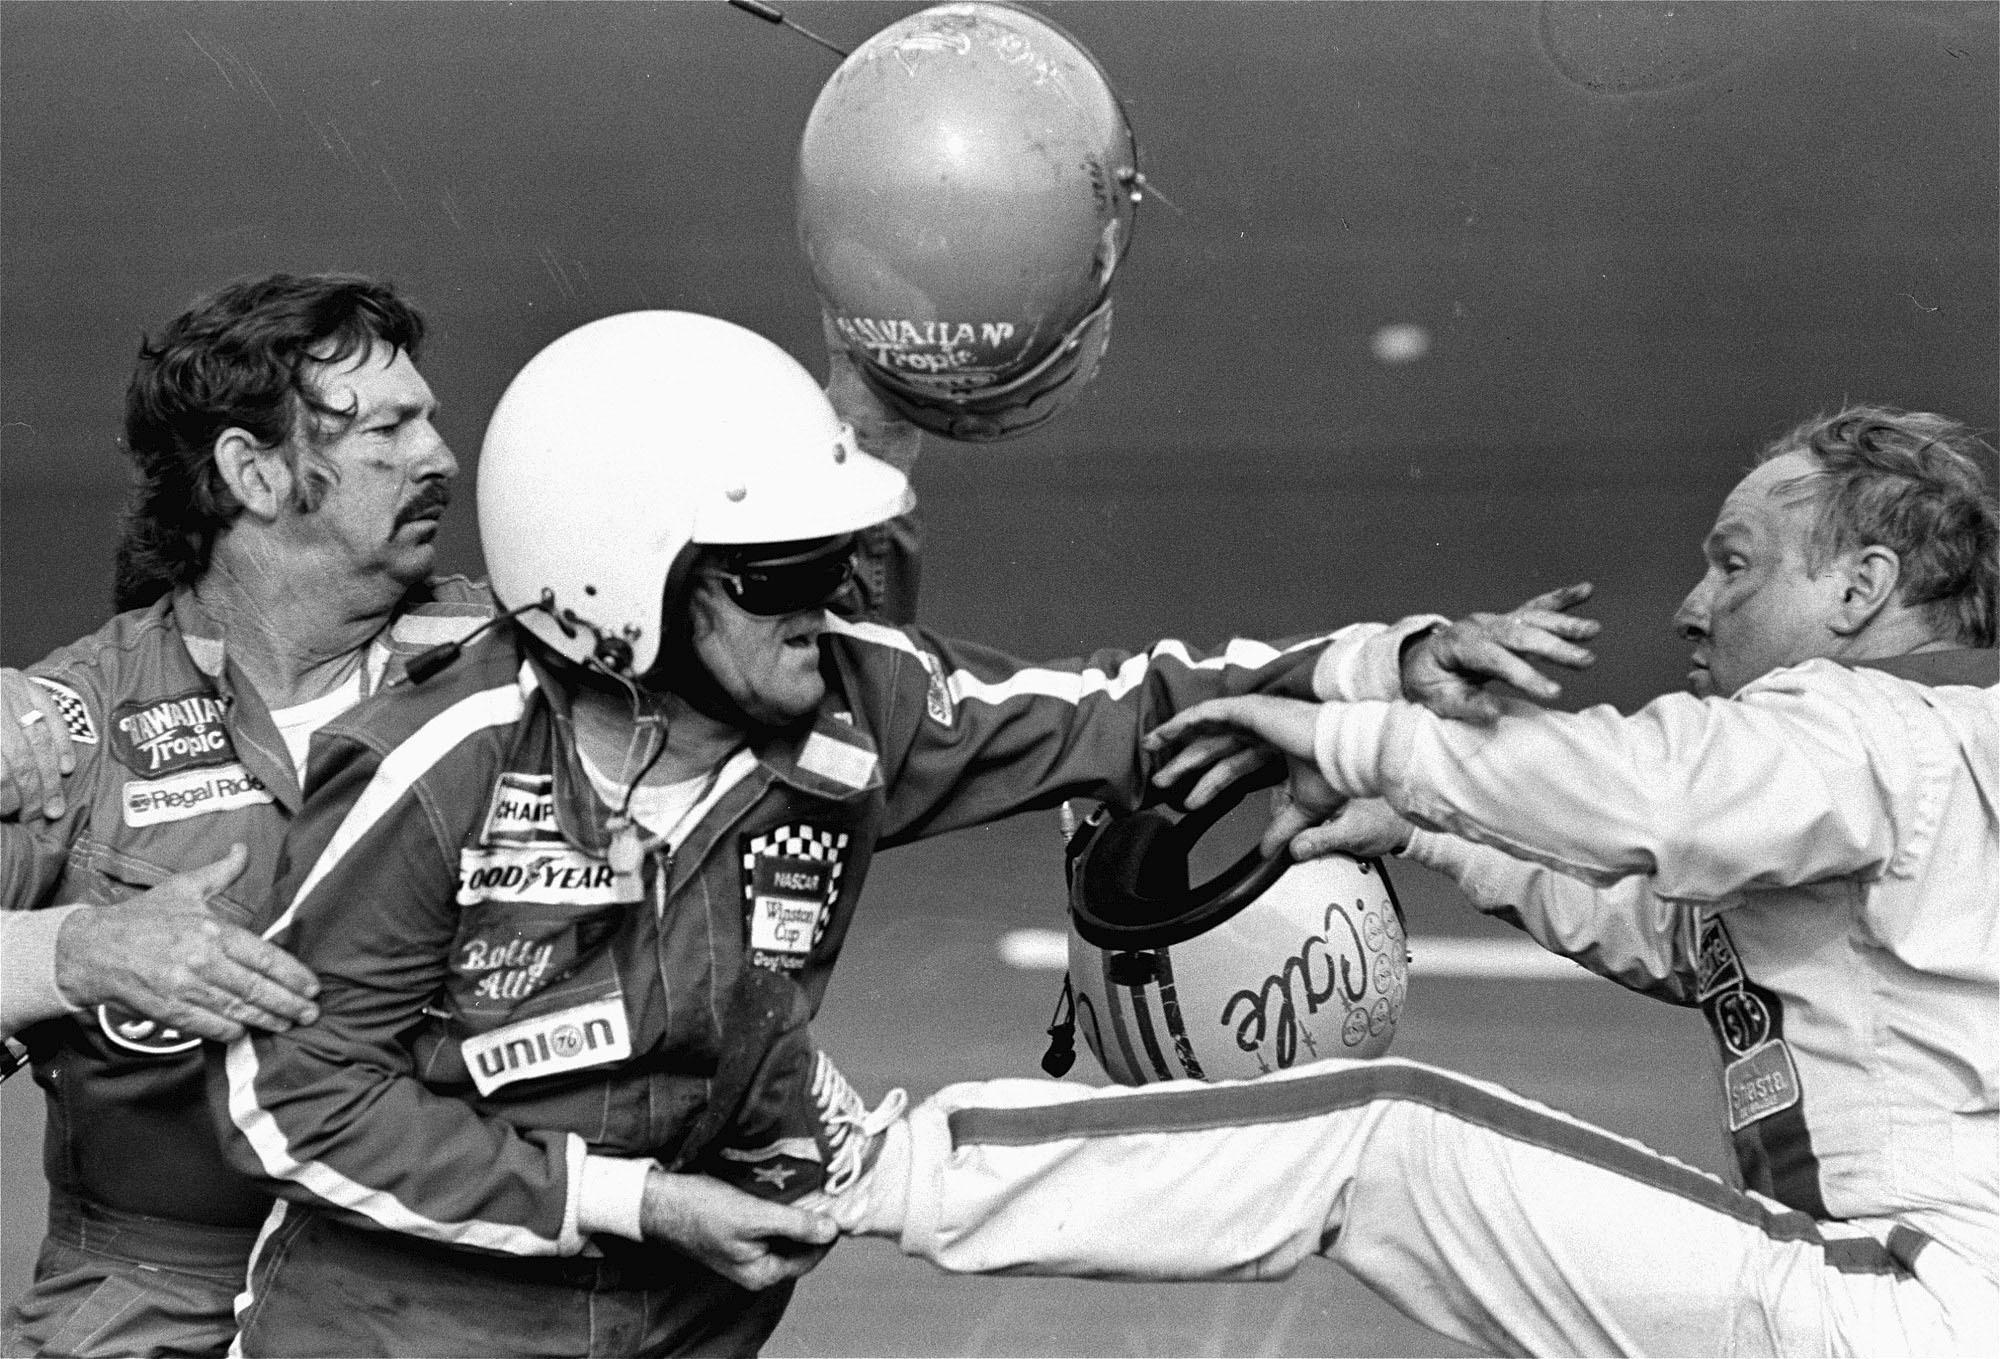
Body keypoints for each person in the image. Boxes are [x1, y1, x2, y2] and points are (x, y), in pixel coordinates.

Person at [204, 308, 1452, 1357]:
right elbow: (294, 1102)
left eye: (836, 559)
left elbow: (1115, 713)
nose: (828, 608)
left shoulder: (858, 705)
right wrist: (635, 1203)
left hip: (681, 1324)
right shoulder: (437, 771)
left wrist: (1383, 666)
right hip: (397, 1332)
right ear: (609, 590)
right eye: (776, 575)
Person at [795, 405, 1999, 1358]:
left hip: (1906, 1309)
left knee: (1382, 1142)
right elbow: (1687, 943)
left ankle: (872, 1164)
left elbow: (1655, 798)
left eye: (1734, 567)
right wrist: (1422, 827)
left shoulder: (1870, 729)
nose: (1690, 608)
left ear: (1860, 588)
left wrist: (1346, 735)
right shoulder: (1939, 758)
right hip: (1893, 1295)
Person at [0, 272, 501, 1358]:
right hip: (144, 1306)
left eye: (432, 421)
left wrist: (868, 429)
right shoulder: (67, 729)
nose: (442, 459)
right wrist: (74, 951)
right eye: (390, 429)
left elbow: (795, 680)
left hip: (440, 1295)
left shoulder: (514, 676)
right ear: (255, 471)